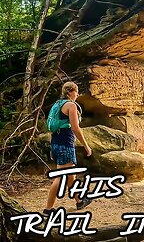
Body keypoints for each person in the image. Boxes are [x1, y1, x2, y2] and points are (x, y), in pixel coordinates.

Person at [43, 82, 92, 216]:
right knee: (60, 177)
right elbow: (75, 128)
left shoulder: (57, 105)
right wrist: (86, 146)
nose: (77, 95)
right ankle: (48, 209)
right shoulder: (71, 105)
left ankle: (79, 201)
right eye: (76, 92)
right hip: (65, 144)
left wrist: (54, 147)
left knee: (71, 175)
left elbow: (53, 127)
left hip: (56, 143)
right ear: (70, 92)